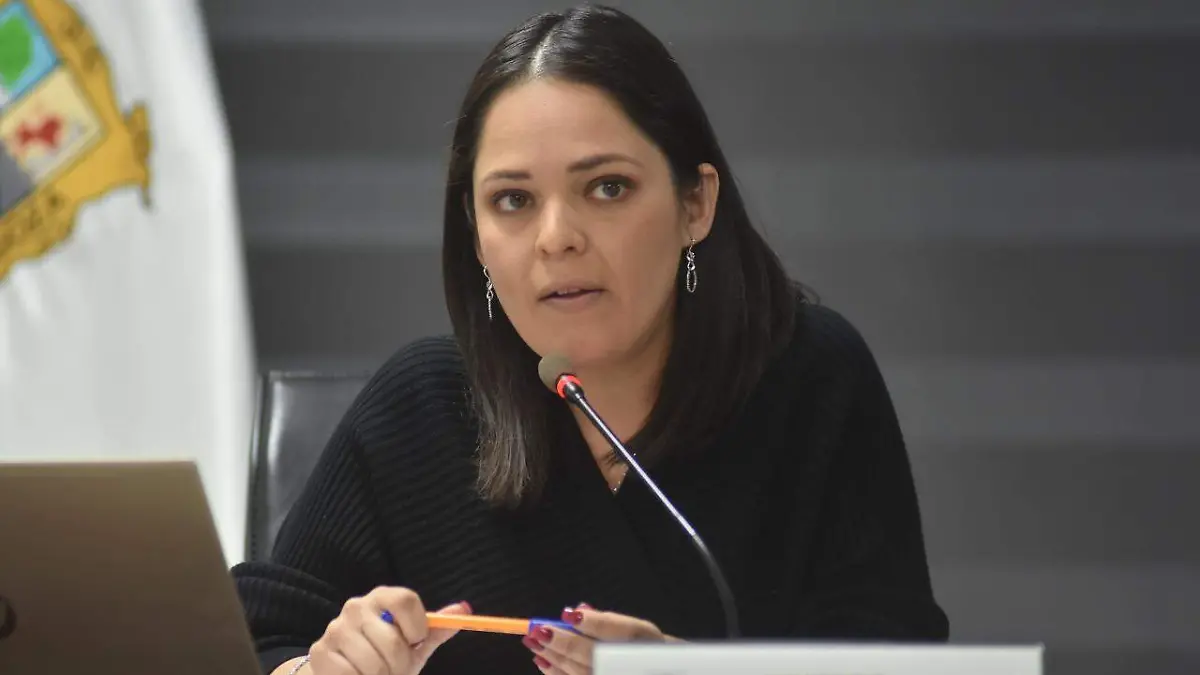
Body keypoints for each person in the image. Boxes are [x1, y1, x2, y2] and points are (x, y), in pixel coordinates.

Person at [231, 5, 950, 675]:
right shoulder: (423, 407)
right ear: (476, 238)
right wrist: (319, 668)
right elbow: (252, 641)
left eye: (607, 188)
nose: (556, 238)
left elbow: (898, 661)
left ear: (695, 204)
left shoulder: (810, 379)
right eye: (513, 200)